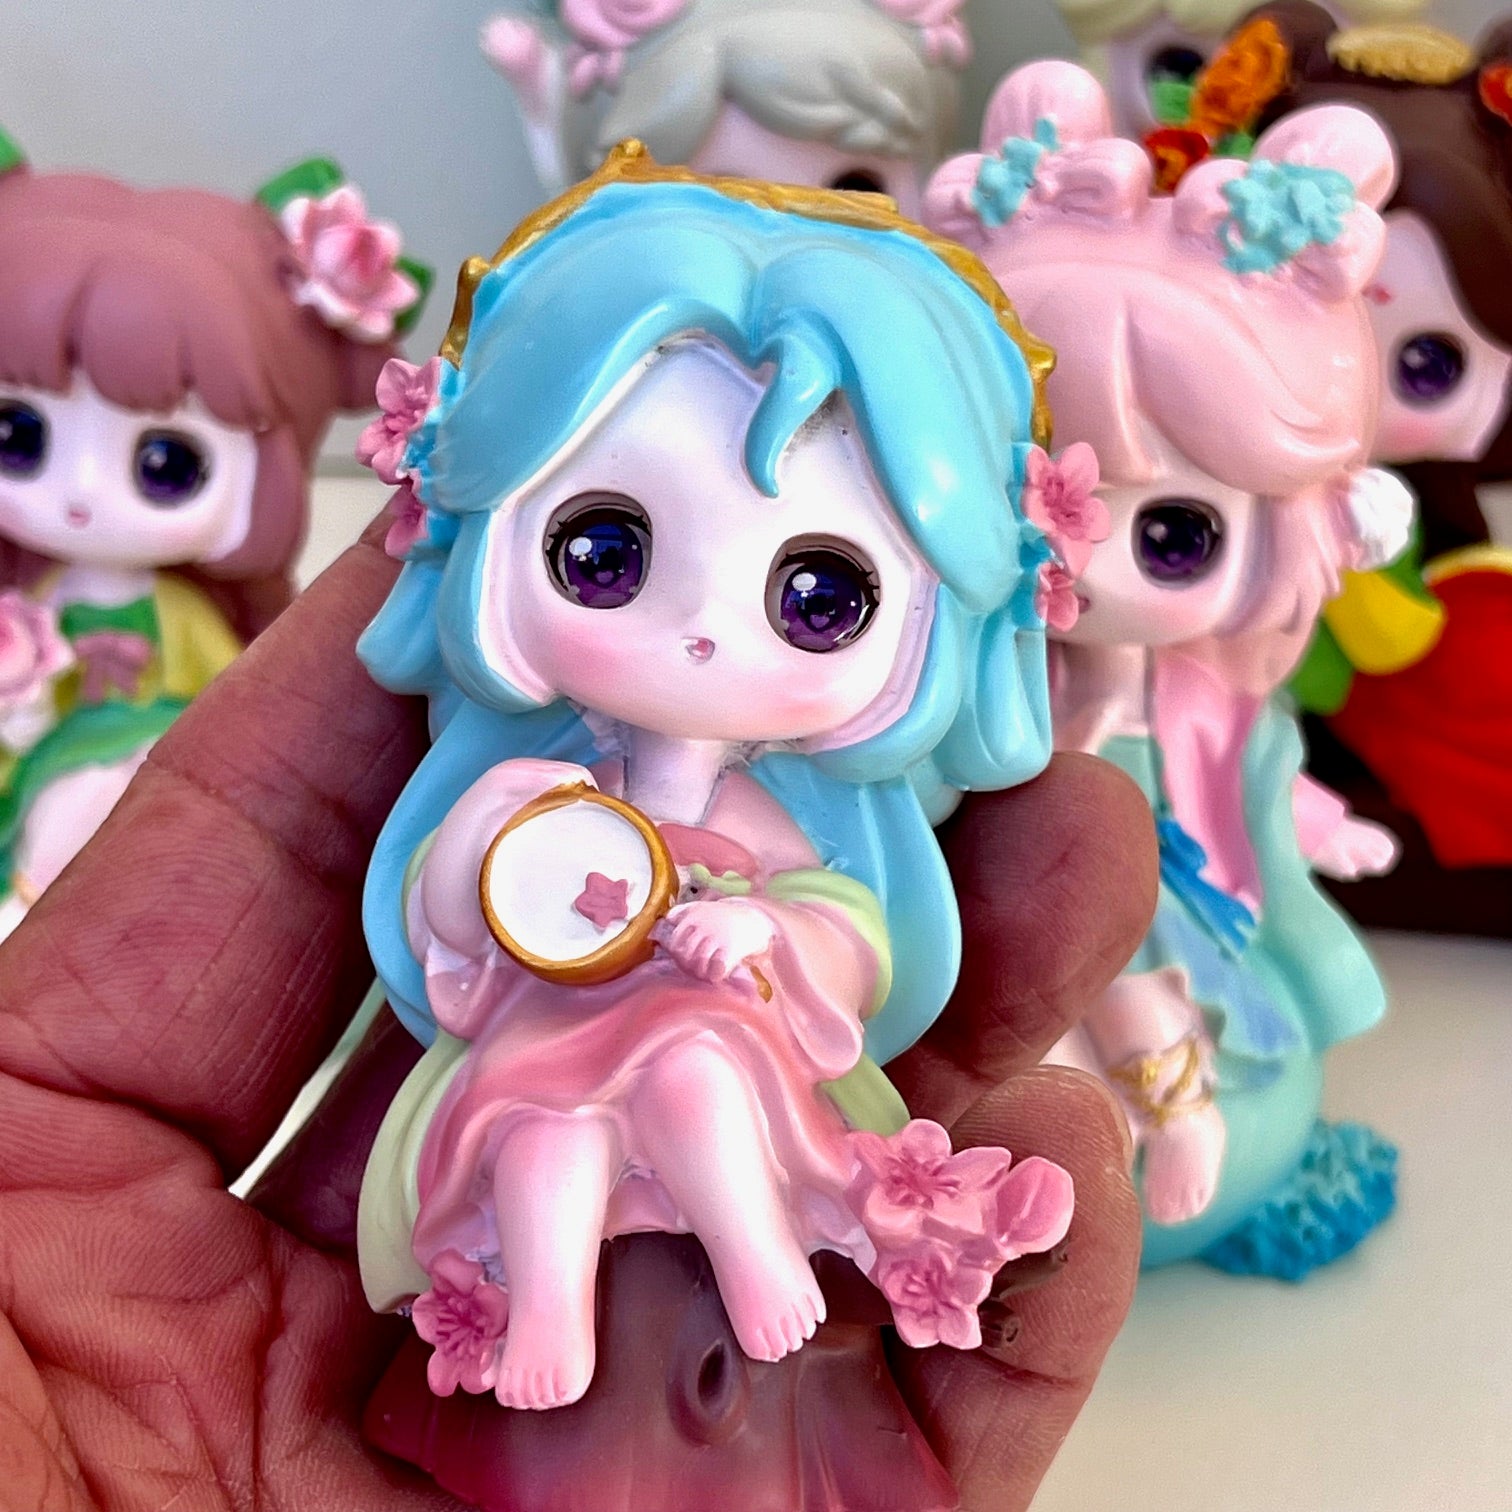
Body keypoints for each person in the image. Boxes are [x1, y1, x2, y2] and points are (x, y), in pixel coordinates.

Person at [0, 504, 1151, 1511]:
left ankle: (753, 1247)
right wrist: (484, 833)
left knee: (695, 1072)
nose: (698, 632)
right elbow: (446, 921)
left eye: (817, 598)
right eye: (605, 555)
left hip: (721, 1036)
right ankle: (547, 1305)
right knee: (540, 1135)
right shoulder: (544, 786)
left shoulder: (763, 816)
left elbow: (846, 936)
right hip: (548, 1043)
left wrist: (763, 930)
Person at [928, 62, 1406, 1278]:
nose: (1088, 560)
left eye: (1175, 534)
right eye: (1039, 502)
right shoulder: (961, 680)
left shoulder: (1202, 705)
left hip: (1165, 874)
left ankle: (1182, 1110)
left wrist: (1316, 819)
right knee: (1018, 1009)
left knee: (1144, 969)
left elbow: (1257, 776)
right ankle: (1062, 1162)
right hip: (1006, 876)